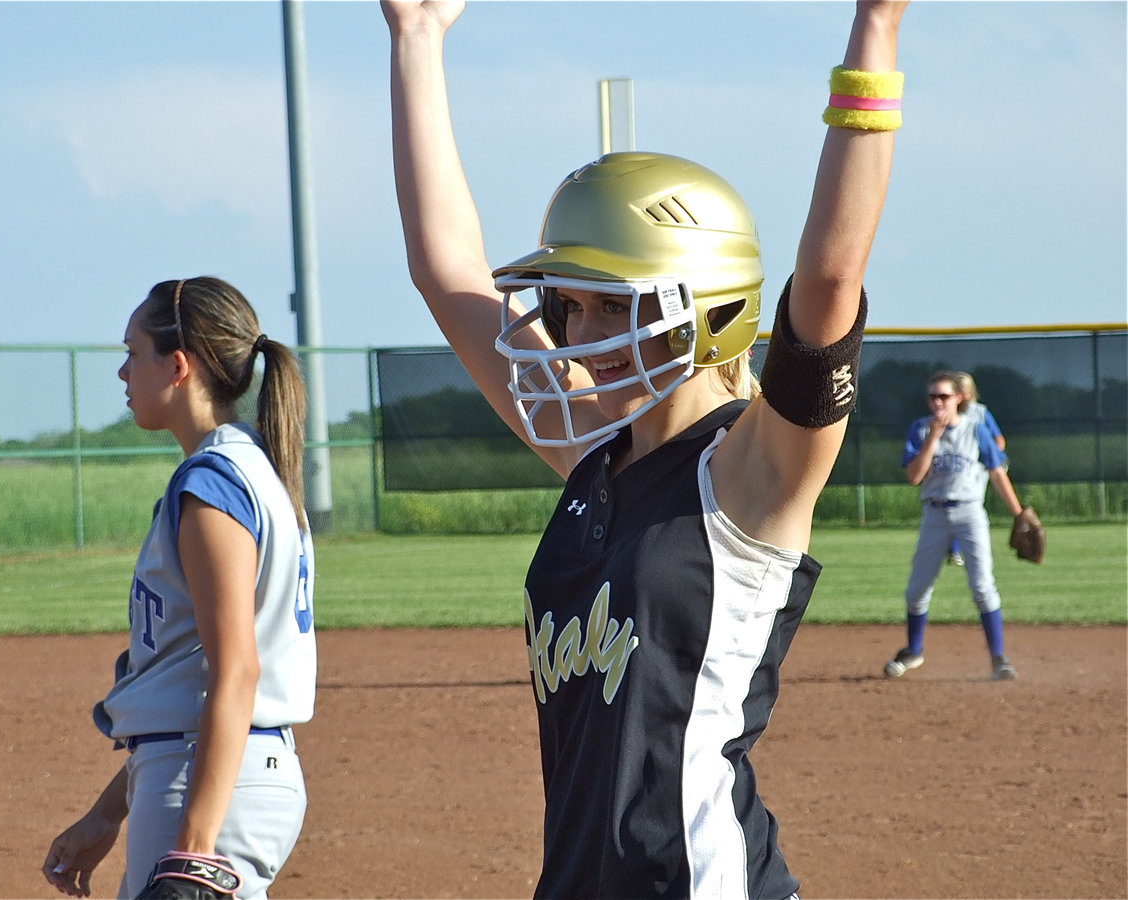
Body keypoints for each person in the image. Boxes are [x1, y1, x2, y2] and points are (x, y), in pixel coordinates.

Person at [383, 0, 906, 896]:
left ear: (696, 309)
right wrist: (416, 37)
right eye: (565, 305)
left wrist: (877, 21)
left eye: (603, 304)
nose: (569, 329)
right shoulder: (592, 453)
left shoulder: (750, 477)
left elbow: (828, 276)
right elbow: (448, 273)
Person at [42, 277, 317, 899]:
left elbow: (236, 673)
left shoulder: (213, 485)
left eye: (133, 351)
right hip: (212, 772)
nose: (122, 371)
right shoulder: (250, 467)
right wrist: (110, 811)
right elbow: (184, 681)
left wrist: (192, 854)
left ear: (178, 364)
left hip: (210, 785)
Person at [884, 370, 1022, 682]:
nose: (937, 402)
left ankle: (999, 658)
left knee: (983, 587)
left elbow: (997, 472)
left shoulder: (975, 430)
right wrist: (933, 436)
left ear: (958, 398)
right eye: (932, 396)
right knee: (916, 591)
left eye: (944, 396)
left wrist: (1018, 512)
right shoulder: (920, 430)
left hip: (970, 514)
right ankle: (914, 650)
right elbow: (914, 476)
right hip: (934, 515)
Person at [945, 370, 1006, 565]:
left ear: (970, 392)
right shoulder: (947, 412)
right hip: (952, 467)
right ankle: (954, 550)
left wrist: (991, 457)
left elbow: (999, 440)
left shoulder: (979, 412)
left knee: (969, 506)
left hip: (977, 469)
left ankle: (963, 550)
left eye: (963, 389)